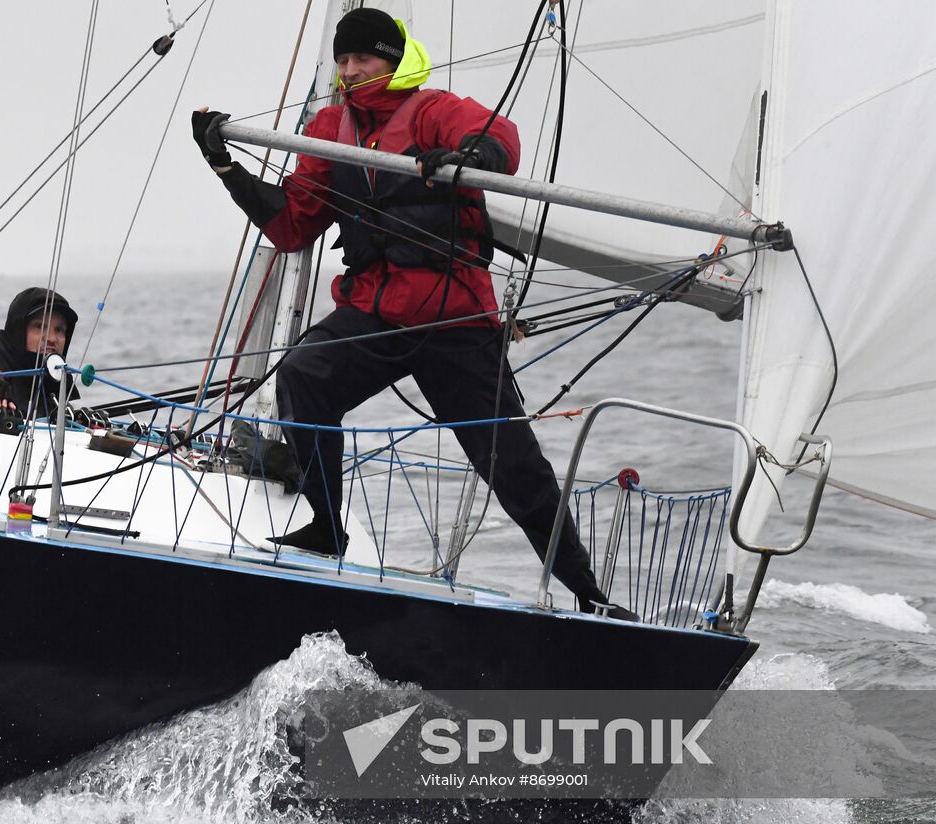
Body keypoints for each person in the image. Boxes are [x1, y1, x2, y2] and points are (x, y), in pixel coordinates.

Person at [192, 9, 633, 619]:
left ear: (393, 62)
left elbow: (502, 137)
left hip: (454, 320)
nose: (351, 71)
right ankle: (327, 525)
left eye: (364, 60)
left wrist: (472, 153)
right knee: (304, 375)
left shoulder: (433, 110)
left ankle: (591, 595)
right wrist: (225, 167)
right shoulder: (328, 128)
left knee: (512, 464)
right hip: (377, 309)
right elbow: (292, 226)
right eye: (343, 61)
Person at [0, 287, 81, 419]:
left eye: (59, 329)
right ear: (17, 332)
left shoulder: (61, 403)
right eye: (39, 326)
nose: (52, 338)